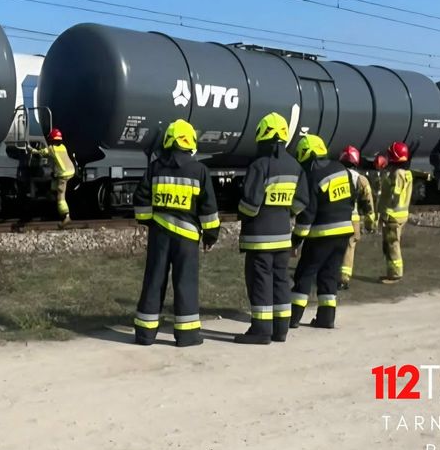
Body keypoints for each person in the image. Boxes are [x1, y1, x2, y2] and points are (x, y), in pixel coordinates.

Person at [131, 119, 220, 347]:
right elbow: (208, 209)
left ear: (168, 141)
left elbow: (140, 198)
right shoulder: (199, 170)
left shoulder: (155, 167)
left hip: (160, 236)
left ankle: (145, 334)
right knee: (185, 283)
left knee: (154, 280)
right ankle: (187, 335)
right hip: (187, 240)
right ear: (190, 141)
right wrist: (210, 236)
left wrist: (148, 221)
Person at [233, 112, 310, 344]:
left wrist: (243, 214)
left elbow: (250, 204)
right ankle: (280, 330)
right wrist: (285, 212)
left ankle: (261, 331)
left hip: (259, 238)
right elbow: (302, 201)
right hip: (283, 238)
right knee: (280, 282)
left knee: (260, 283)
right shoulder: (295, 166)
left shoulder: (259, 165)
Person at [289, 134, 356, 329]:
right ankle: (326, 319)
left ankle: (292, 318)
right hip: (344, 231)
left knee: (305, 274)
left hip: (321, 235)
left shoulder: (312, 175)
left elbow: (307, 214)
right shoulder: (341, 169)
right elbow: (352, 197)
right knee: (329, 275)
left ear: (305, 154)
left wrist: (296, 240)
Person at [339, 146, 376, 289]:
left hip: (337, 218)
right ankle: (343, 279)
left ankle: (330, 274)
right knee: (349, 247)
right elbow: (368, 203)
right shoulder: (361, 179)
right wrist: (370, 223)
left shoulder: (336, 175)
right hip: (353, 219)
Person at [378, 142, 413, 285]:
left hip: (393, 216)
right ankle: (391, 272)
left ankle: (395, 274)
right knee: (392, 244)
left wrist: (389, 205)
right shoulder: (407, 173)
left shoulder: (397, 174)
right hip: (400, 215)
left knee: (392, 244)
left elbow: (395, 194)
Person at [29, 128, 76, 225]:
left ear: (51, 140)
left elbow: (41, 152)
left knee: (61, 197)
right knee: (54, 180)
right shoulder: (63, 147)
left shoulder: (51, 148)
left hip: (63, 174)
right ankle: (52, 193)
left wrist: (31, 150)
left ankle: (66, 216)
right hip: (71, 171)